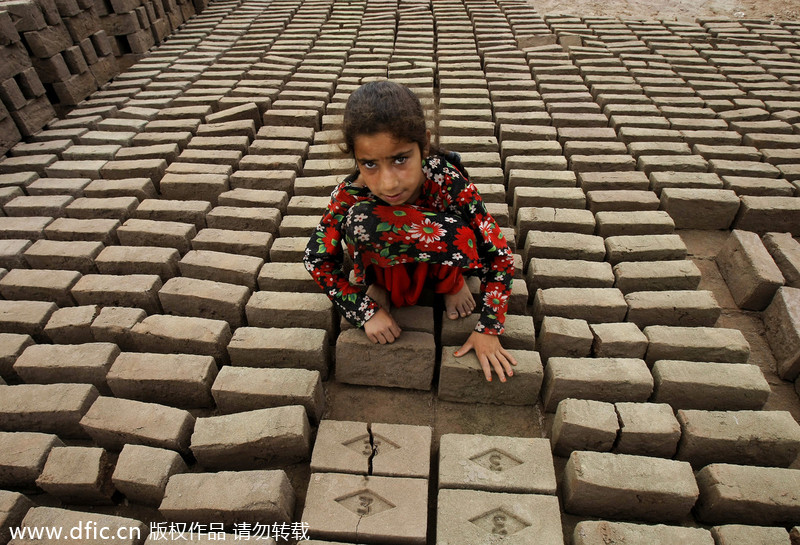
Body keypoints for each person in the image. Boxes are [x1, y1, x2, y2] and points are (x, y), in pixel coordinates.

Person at [303, 80, 517, 382]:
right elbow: (316, 259)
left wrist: (489, 328)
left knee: (461, 232)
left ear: (424, 145)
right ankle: (379, 282)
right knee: (360, 220)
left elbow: (500, 256)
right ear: (355, 157)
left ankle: (451, 283)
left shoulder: (447, 181)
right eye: (370, 164)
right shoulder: (350, 194)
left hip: (443, 262)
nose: (389, 183)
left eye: (400, 159)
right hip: (382, 265)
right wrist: (363, 310)